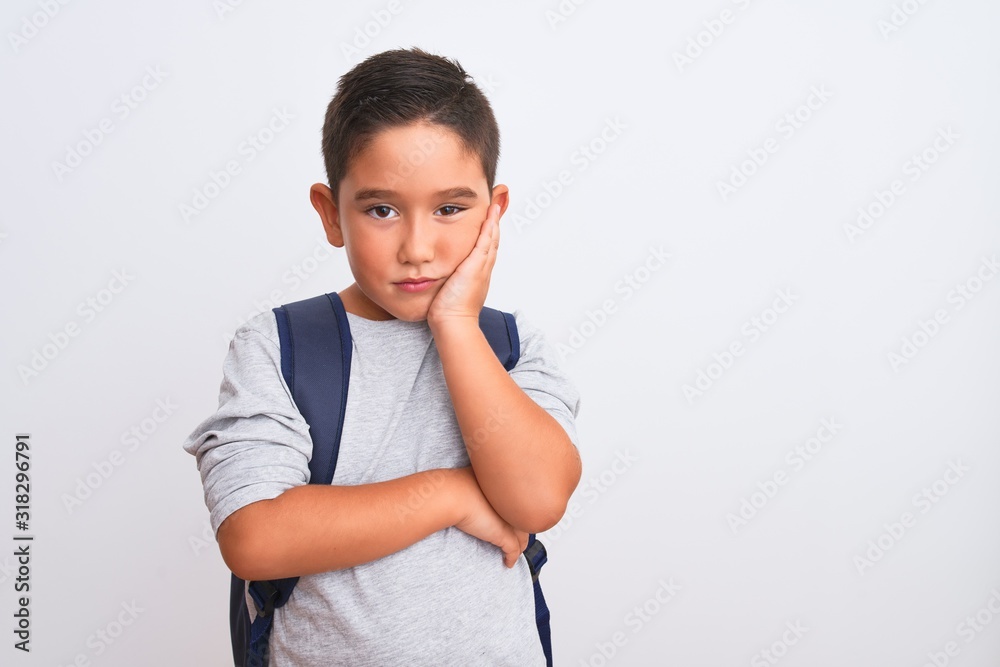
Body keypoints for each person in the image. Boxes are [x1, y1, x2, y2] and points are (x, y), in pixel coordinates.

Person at [182, 46, 583, 666]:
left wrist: (456, 324)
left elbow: (537, 501)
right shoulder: (280, 347)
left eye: (450, 209)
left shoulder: (510, 346)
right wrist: (450, 495)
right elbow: (254, 536)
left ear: (493, 213)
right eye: (382, 210)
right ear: (330, 212)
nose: (418, 247)